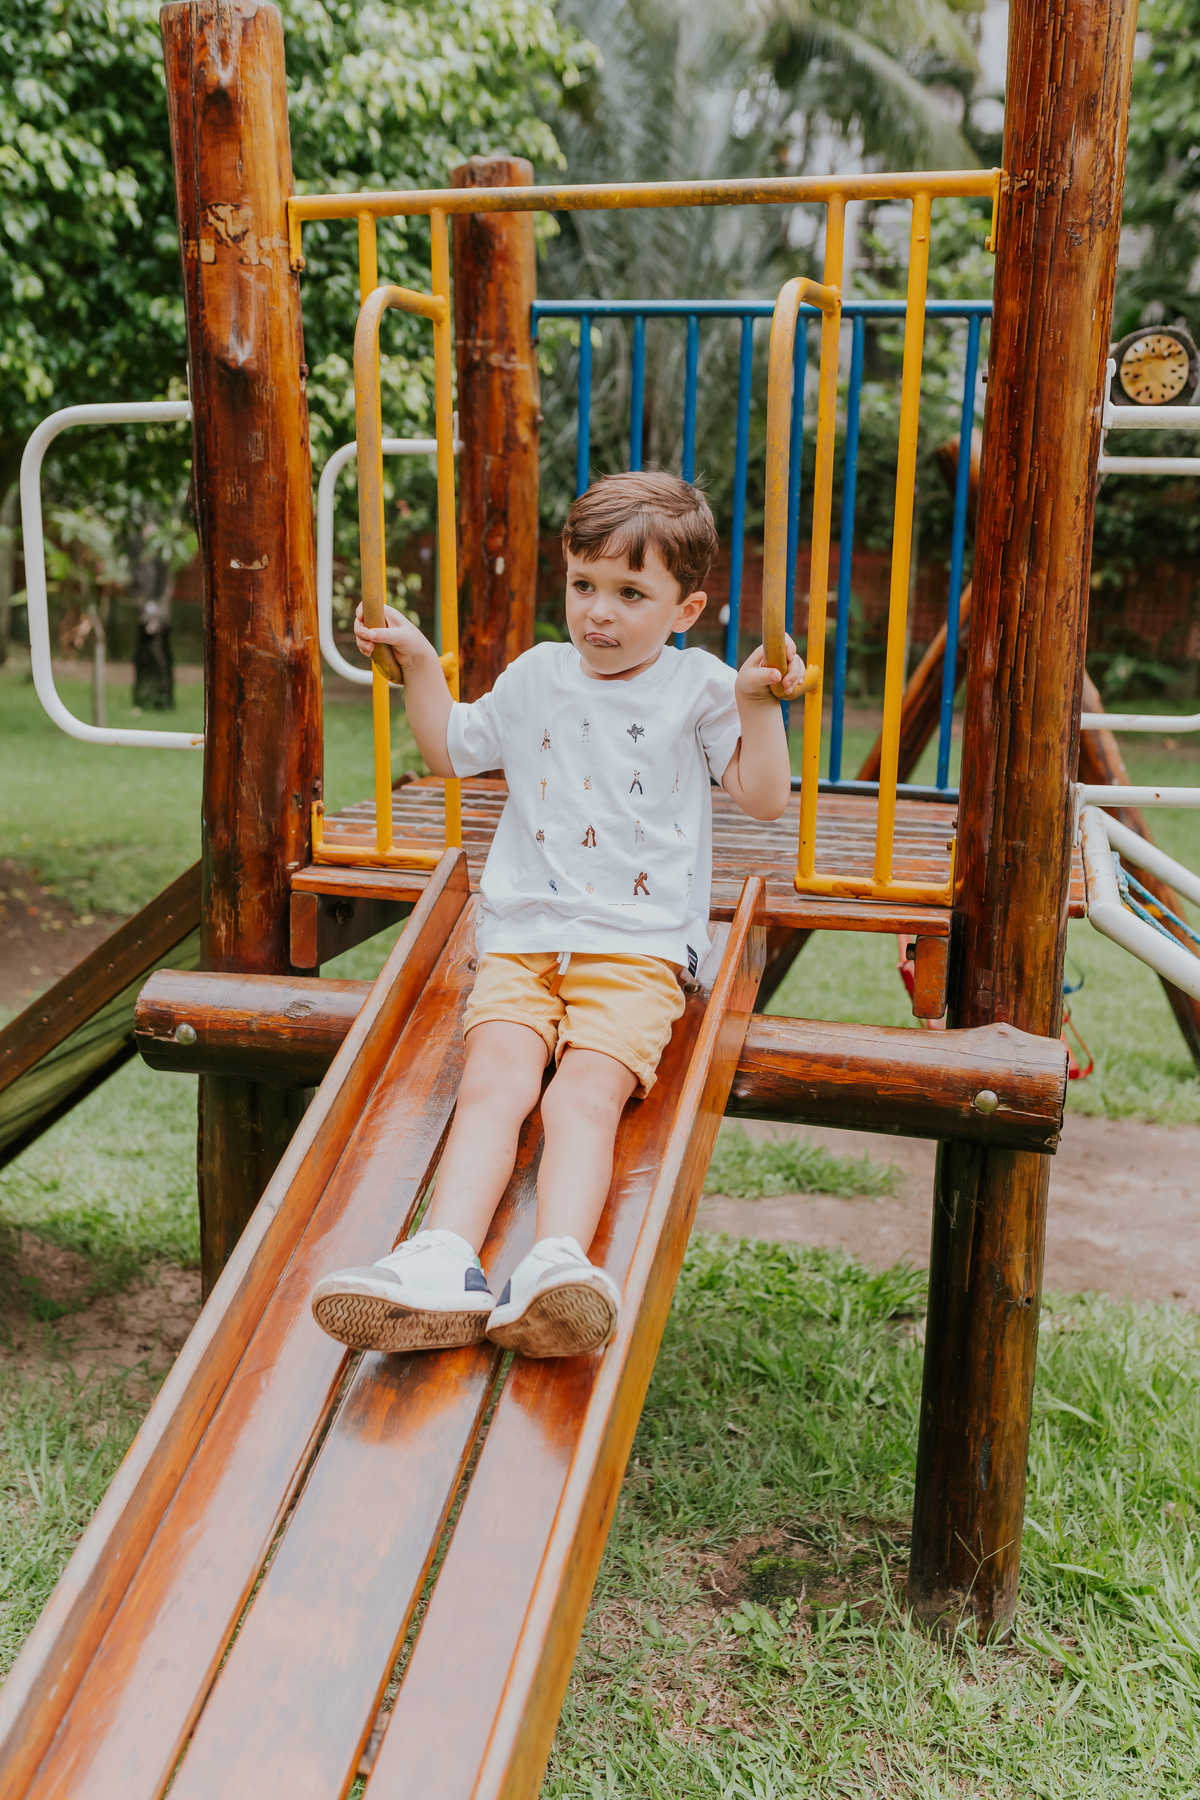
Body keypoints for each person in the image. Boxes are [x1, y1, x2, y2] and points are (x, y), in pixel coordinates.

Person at [311, 472, 805, 1360]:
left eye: (629, 594)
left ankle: (555, 1262)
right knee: (495, 1081)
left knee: (583, 1094)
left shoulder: (701, 685)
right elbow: (453, 749)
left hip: (638, 946)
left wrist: (759, 705)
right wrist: (421, 665)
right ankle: (444, 1258)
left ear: (686, 607)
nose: (598, 614)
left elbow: (766, 798)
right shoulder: (537, 673)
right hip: (524, 935)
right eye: (583, 586)